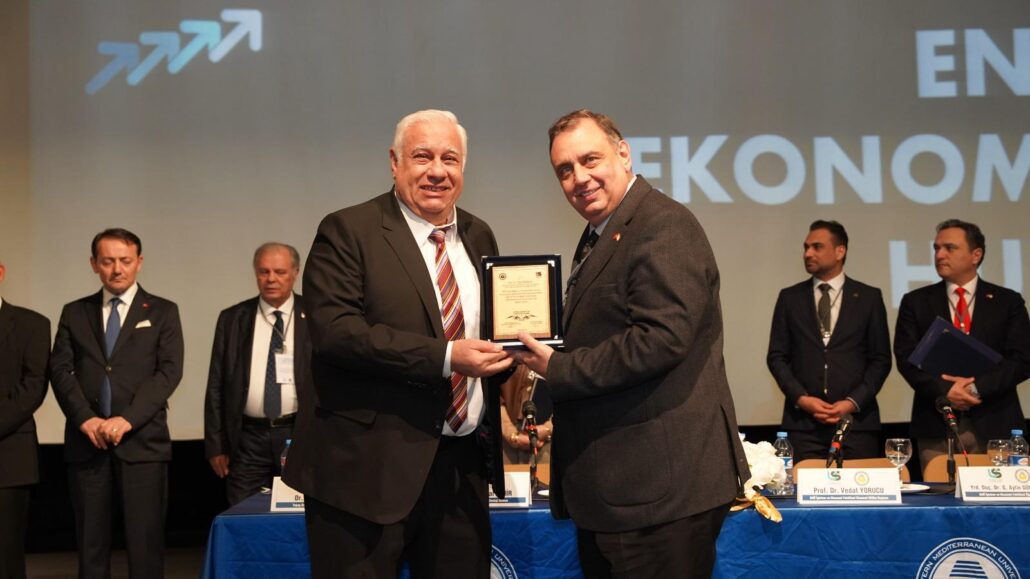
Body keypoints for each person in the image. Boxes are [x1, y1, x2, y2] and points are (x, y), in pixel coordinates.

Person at [517, 110, 750, 579]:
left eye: (590, 160)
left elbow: (661, 339)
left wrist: (559, 368)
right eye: (565, 170)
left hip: (658, 493)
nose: (579, 178)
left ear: (623, 154)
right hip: (623, 491)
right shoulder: (604, 231)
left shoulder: (662, 224)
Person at [282, 109, 512, 579]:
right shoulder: (349, 230)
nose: (437, 171)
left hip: (460, 469)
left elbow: (493, 328)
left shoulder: (479, 234)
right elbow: (336, 333)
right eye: (422, 156)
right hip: (365, 472)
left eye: (450, 158)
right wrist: (447, 357)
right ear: (394, 162)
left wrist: (516, 350)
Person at [50, 228, 184, 579]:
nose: (117, 269)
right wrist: (86, 419)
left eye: (125, 260)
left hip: (143, 444)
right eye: (108, 261)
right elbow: (60, 370)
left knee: (145, 546)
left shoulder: (163, 311)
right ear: (94, 264)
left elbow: (168, 373)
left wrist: (127, 419)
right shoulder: (75, 312)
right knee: (90, 547)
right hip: (87, 443)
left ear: (139, 262)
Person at [895, 219, 1029, 471]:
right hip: (936, 423)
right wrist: (946, 391)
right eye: (936, 248)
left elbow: (1022, 360)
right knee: (939, 494)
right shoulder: (916, 301)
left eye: (949, 248)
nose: (939, 255)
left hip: (996, 423)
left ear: (975, 255)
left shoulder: (1007, 301)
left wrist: (975, 389)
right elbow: (906, 359)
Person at [766, 220, 891, 460]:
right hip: (803, 425)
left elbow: (880, 360)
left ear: (840, 251)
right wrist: (802, 399)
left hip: (857, 423)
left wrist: (852, 402)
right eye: (806, 247)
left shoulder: (869, 297)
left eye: (817, 247)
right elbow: (777, 357)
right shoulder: (790, 297)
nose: (808, 253)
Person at [204, 242, 313, 505]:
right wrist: (216, 445)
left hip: (299, 433)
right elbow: (216, 384)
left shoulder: (314, 315)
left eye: (279, 272)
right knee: (244, 512)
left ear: (295, 272)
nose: (271, 279)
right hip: (248, 439)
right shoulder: (233, 318)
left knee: (301, 514)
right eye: (264, 272)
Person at [0, 260, 50, 579]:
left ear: (1, 272)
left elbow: (32, 388)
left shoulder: (32, 324)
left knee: (6, 557)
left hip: (8, 458)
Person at [498, 365, 552, 465]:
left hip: (546, 439)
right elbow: (492, 398)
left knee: (544, 474)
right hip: (507, 439)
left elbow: (568, 395)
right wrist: (512, 435)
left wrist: (548, 428)